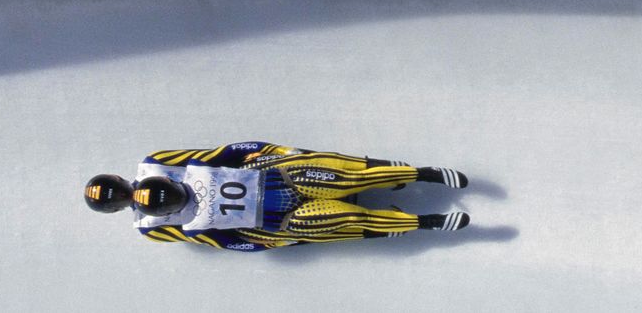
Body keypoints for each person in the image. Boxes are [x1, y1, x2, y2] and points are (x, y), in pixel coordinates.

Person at [85, 141, 469, 251]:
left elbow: (222, 154)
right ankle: (424, 223)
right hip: (273, 221)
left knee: (338, 178)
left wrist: (275, 153)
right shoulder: (153, 229)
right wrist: (270, 241)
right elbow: (217, 239)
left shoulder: (157, 163)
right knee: (345, 221)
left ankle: (422, 174)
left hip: (274, 179)